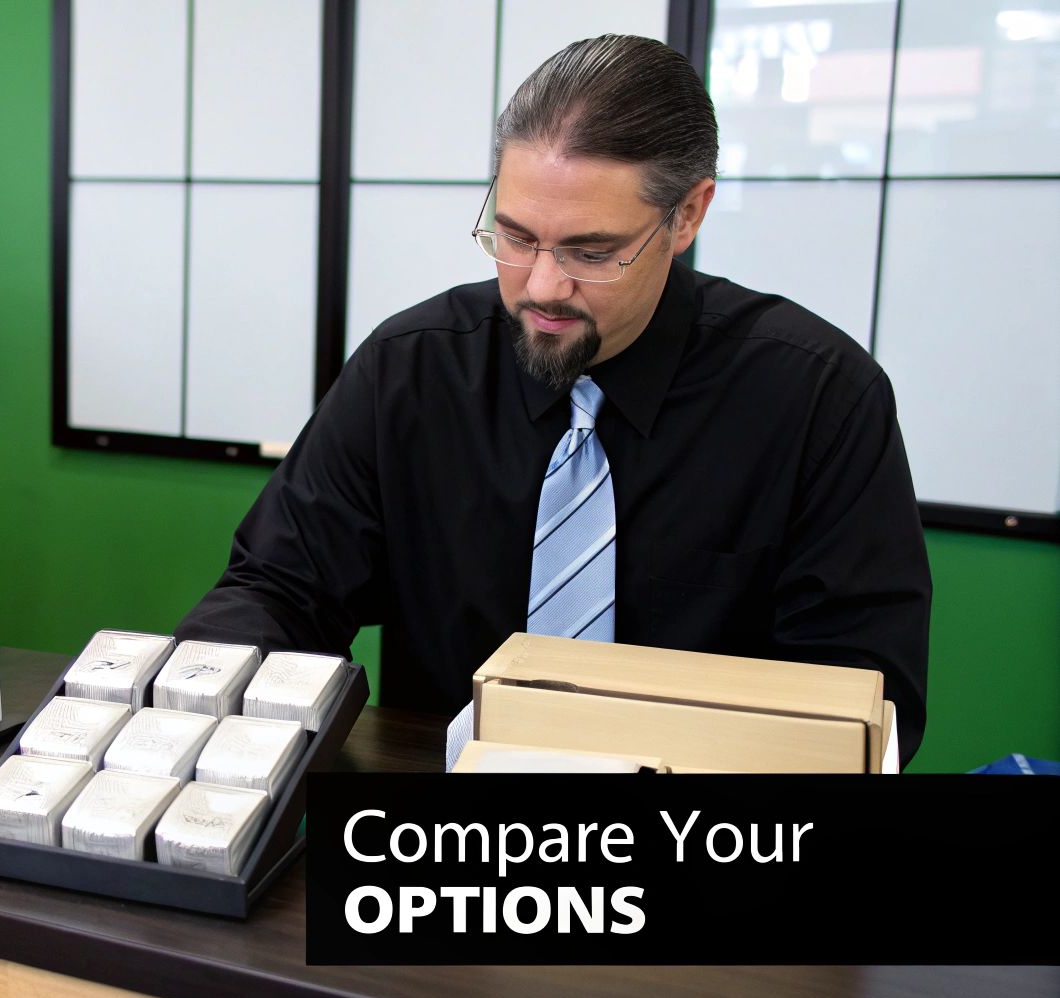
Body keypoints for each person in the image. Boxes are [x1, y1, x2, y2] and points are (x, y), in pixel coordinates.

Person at [174, 34, 931, 764]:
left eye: (590, 253)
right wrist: (184, 718)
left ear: (688, 216)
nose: (540, 287)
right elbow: (278, 590)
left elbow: (862, 699)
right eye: (515, 237)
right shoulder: (411, 370)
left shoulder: (819, 399)